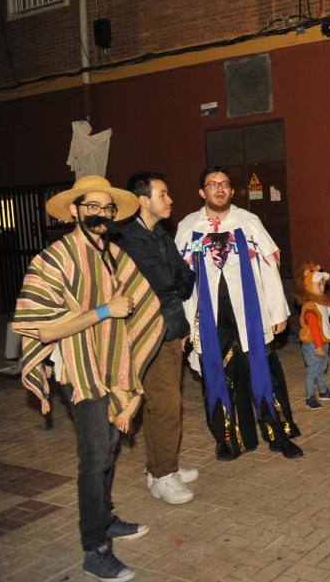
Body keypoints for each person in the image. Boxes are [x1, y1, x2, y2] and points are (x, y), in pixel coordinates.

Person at [13, 175, 165, 582]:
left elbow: (143, 306)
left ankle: (106, 516)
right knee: (94, 457)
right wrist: (104, 312)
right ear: (76, 211)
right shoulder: (53, 259)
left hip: (114, 370)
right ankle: (94, 548)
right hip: (79, 371)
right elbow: (39, 330)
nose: (100, 214)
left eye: (107, 208)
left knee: (110, 448)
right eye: (92, 207)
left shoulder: (114, 256)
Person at [176, 166, 302, 460]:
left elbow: (271, 268)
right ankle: (227, 439)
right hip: (208, 319)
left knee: (265, 372)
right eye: (212, 184)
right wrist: (183, 324)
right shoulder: (188, 226)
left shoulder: (248, 223)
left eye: (224, 184)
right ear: (201, 192)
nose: (219, 189)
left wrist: (277, 311)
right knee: (216, 376)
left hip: (251, 314)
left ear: (231, 191)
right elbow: (180, 277)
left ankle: (278, 433)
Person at [115, 172, 198, 505]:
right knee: (165, 405)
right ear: (143, 200)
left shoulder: (159, 234)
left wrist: (179, 324)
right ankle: (164, 474)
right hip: (148, 330)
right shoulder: (129, 238)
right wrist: (173, 281)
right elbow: (164, 279)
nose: (170, 200)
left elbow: (185, 277)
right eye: (163, 194)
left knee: (161, 402)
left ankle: (161, 467)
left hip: (171, 327)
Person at [295, 262, 330, 409]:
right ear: (308, 286)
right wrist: (319, 346)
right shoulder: (310, 306)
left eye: (323, 285)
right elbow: (314, 327)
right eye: (318, 285)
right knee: (312, 370)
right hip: (313, 344)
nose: (322, 288)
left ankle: (323, 391)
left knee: (321, 368)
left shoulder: (323, 302)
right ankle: (310, 397)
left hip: (323, 342)